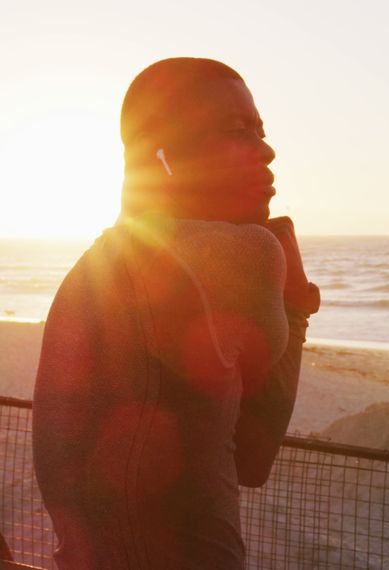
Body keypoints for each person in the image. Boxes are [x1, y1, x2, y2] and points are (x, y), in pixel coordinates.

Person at [32, 58, 319, 569]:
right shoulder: (244, 254)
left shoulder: (92, 270)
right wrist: (297, 304)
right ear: (162, 155)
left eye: (261, 132)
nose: (267, 151)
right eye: (238, 131)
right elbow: (256, 455)